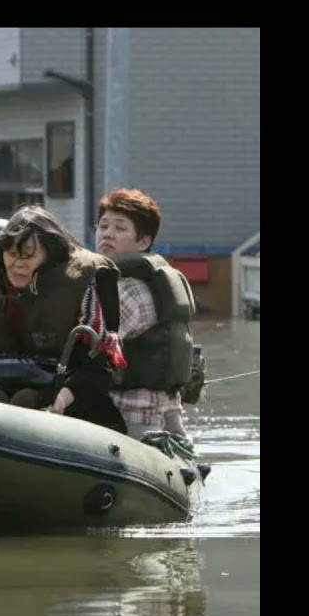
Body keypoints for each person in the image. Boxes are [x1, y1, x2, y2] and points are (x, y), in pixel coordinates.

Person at [0, 206, 128, 432]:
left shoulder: (80, 284)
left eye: (29, 255)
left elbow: (99, 366)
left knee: (28, 399)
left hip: (64, 393)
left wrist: (67, 394)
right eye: (11, 253)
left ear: (50, 256)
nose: (18, 264)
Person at [94, 188, 203, 441]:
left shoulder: (126, 291)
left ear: (143, 241)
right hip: (167, 418)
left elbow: (90, 348)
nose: (107, 233)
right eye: (103, 226)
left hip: (129, 422)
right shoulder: (157, 282)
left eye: (120, 228)